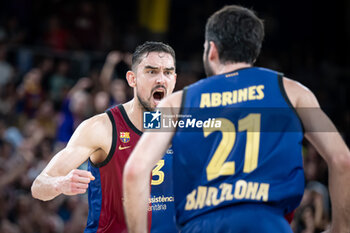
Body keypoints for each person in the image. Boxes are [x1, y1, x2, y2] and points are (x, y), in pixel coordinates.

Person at [123, 5, 350, 233]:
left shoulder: (176, 103)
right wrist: (340, 228)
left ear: (211, 50)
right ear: (253, 51)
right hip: (269, 224)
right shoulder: (293, 93)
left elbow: (134, 171)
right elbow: (342, 159)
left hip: (200, 223)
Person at [31, 41, 178, 233]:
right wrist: (60, 183)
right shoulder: (101, 127)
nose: (161, 79)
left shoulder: (185, 124)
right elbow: (39, 186)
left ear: (174, 79)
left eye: (167, 72)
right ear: (132, 79)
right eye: (151, 72)